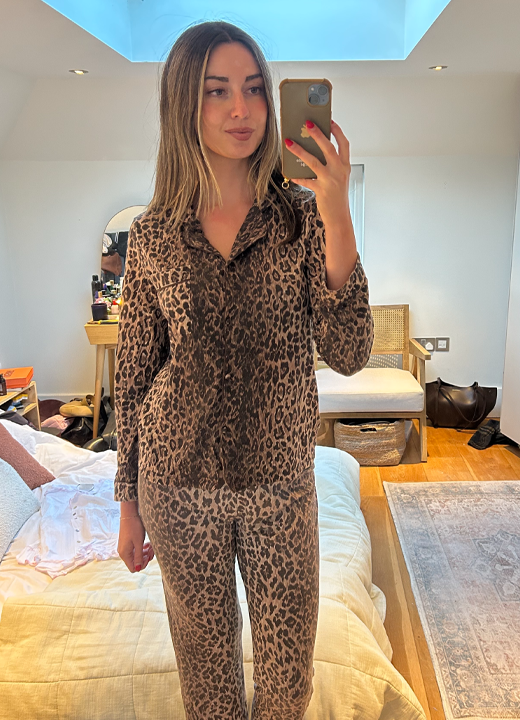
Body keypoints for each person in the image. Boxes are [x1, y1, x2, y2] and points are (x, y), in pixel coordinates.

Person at [114, 21, 374, 719]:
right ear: (183, 104)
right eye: (217, 91)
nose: (242, 109)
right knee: (208, 684)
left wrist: (337, 211)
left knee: (288, 684)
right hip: (176, 484)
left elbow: (350, 351)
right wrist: (128, 504)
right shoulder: (152, 235)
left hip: (280, 482)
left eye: (255, 89)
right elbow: (134, 376)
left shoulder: (303, 218)